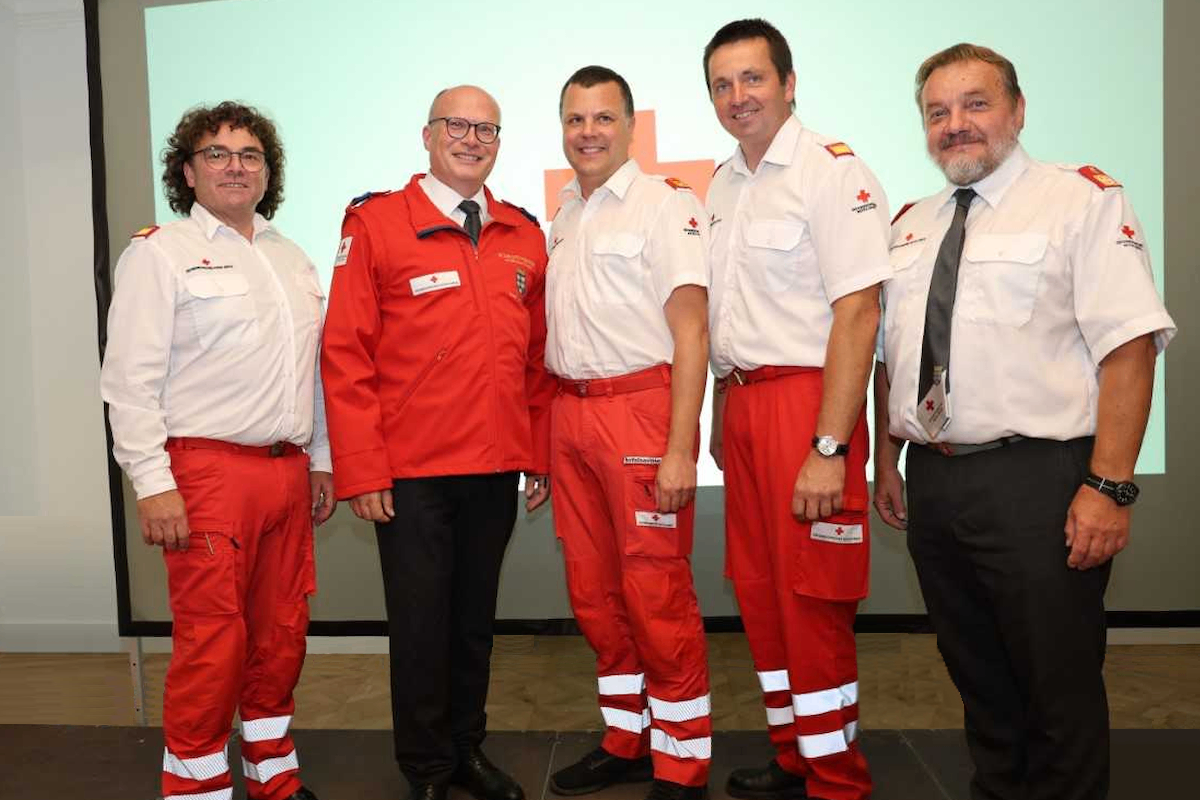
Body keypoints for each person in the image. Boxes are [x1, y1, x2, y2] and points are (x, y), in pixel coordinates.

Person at [872, 43, 1176, 800]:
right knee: (978, 678)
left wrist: (1109, 486)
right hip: (937, 482)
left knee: (1057, 688)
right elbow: (893, 360)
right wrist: (886, 462)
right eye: (937, 112)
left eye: (975, 104)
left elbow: (1130, 347)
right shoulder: (912, 223)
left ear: (1017, 110)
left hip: (1039, 482)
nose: (956, 125)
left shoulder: (1081, 201)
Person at [319, 85, 554, 800]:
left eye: (487, 128)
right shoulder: (378, 223)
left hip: (493, 470)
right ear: (427, 134)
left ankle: (465, 751)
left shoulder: (523, 233)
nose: (472, 138)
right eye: (457, 124)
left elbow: (537, 361)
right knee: (421, 628)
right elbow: (345, 353)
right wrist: (362, 471)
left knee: (473, 624)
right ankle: (425, 768)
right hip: (412, 476)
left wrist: (538, 454)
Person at [100, 101, 333, 800]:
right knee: (213, 644)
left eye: (250, 154)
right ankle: (197, 789)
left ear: (269, 171)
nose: (236, 166)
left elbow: (311, 371)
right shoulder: (159, 252)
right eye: (217, 153)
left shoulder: (290, 257)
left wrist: (320, 458)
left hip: (285, 474)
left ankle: (273, 778)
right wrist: (152, 481)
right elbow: (128, 379)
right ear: (188, 171)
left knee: (280, 636)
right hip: (203, 473)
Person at [703, 19, 891, 800]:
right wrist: (721, 408)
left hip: (810, 407)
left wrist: (829, 443)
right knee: (758, 590)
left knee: (813, 599)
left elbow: (859, 314)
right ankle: (793, 755)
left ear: (788, 83)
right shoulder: (721, 184)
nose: (738, 96)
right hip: (745, 408)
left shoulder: (831, 173)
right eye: (722, 84)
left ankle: (838, 780)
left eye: (753, 78)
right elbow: (726, 316)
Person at [543, 66, 713, 800]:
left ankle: (681, 758)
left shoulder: (663, 207)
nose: (588, 133)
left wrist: (681, 447)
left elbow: (693, 333)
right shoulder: (565, 213)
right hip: (568, 413)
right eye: (576, 120)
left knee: (654, 590)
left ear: (631, 126)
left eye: (603, 118)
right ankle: (627, 737)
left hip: (639, 409)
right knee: (594, 592)